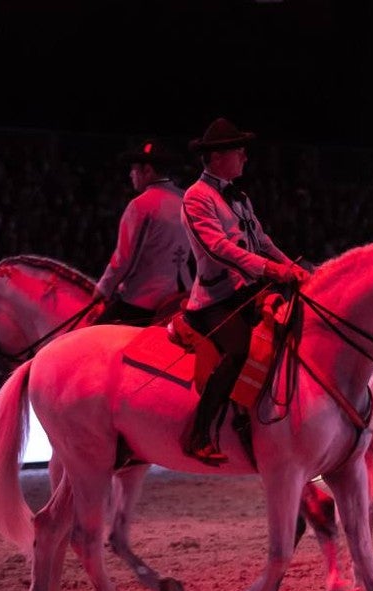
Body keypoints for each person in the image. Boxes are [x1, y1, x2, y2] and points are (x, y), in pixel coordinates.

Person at [180, 117, 309, 464]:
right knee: (239, 351)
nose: (245, 158)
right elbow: (217, 248)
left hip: (249, 292)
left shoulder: (240, 197)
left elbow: (262, 241)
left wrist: (290, 266)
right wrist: (271, 270)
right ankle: (200, 432)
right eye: (239, 152)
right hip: (216, 298)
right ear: (220, 156)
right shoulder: (197, 197)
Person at [93, 139, 192, 326]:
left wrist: (103, 288)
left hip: (144, 299)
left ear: (147, 170)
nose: (131, 175)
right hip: (183, 293)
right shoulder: (186, 199)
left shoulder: (141, 205)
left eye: (134, 169)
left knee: (92, 335)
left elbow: (125, 259)